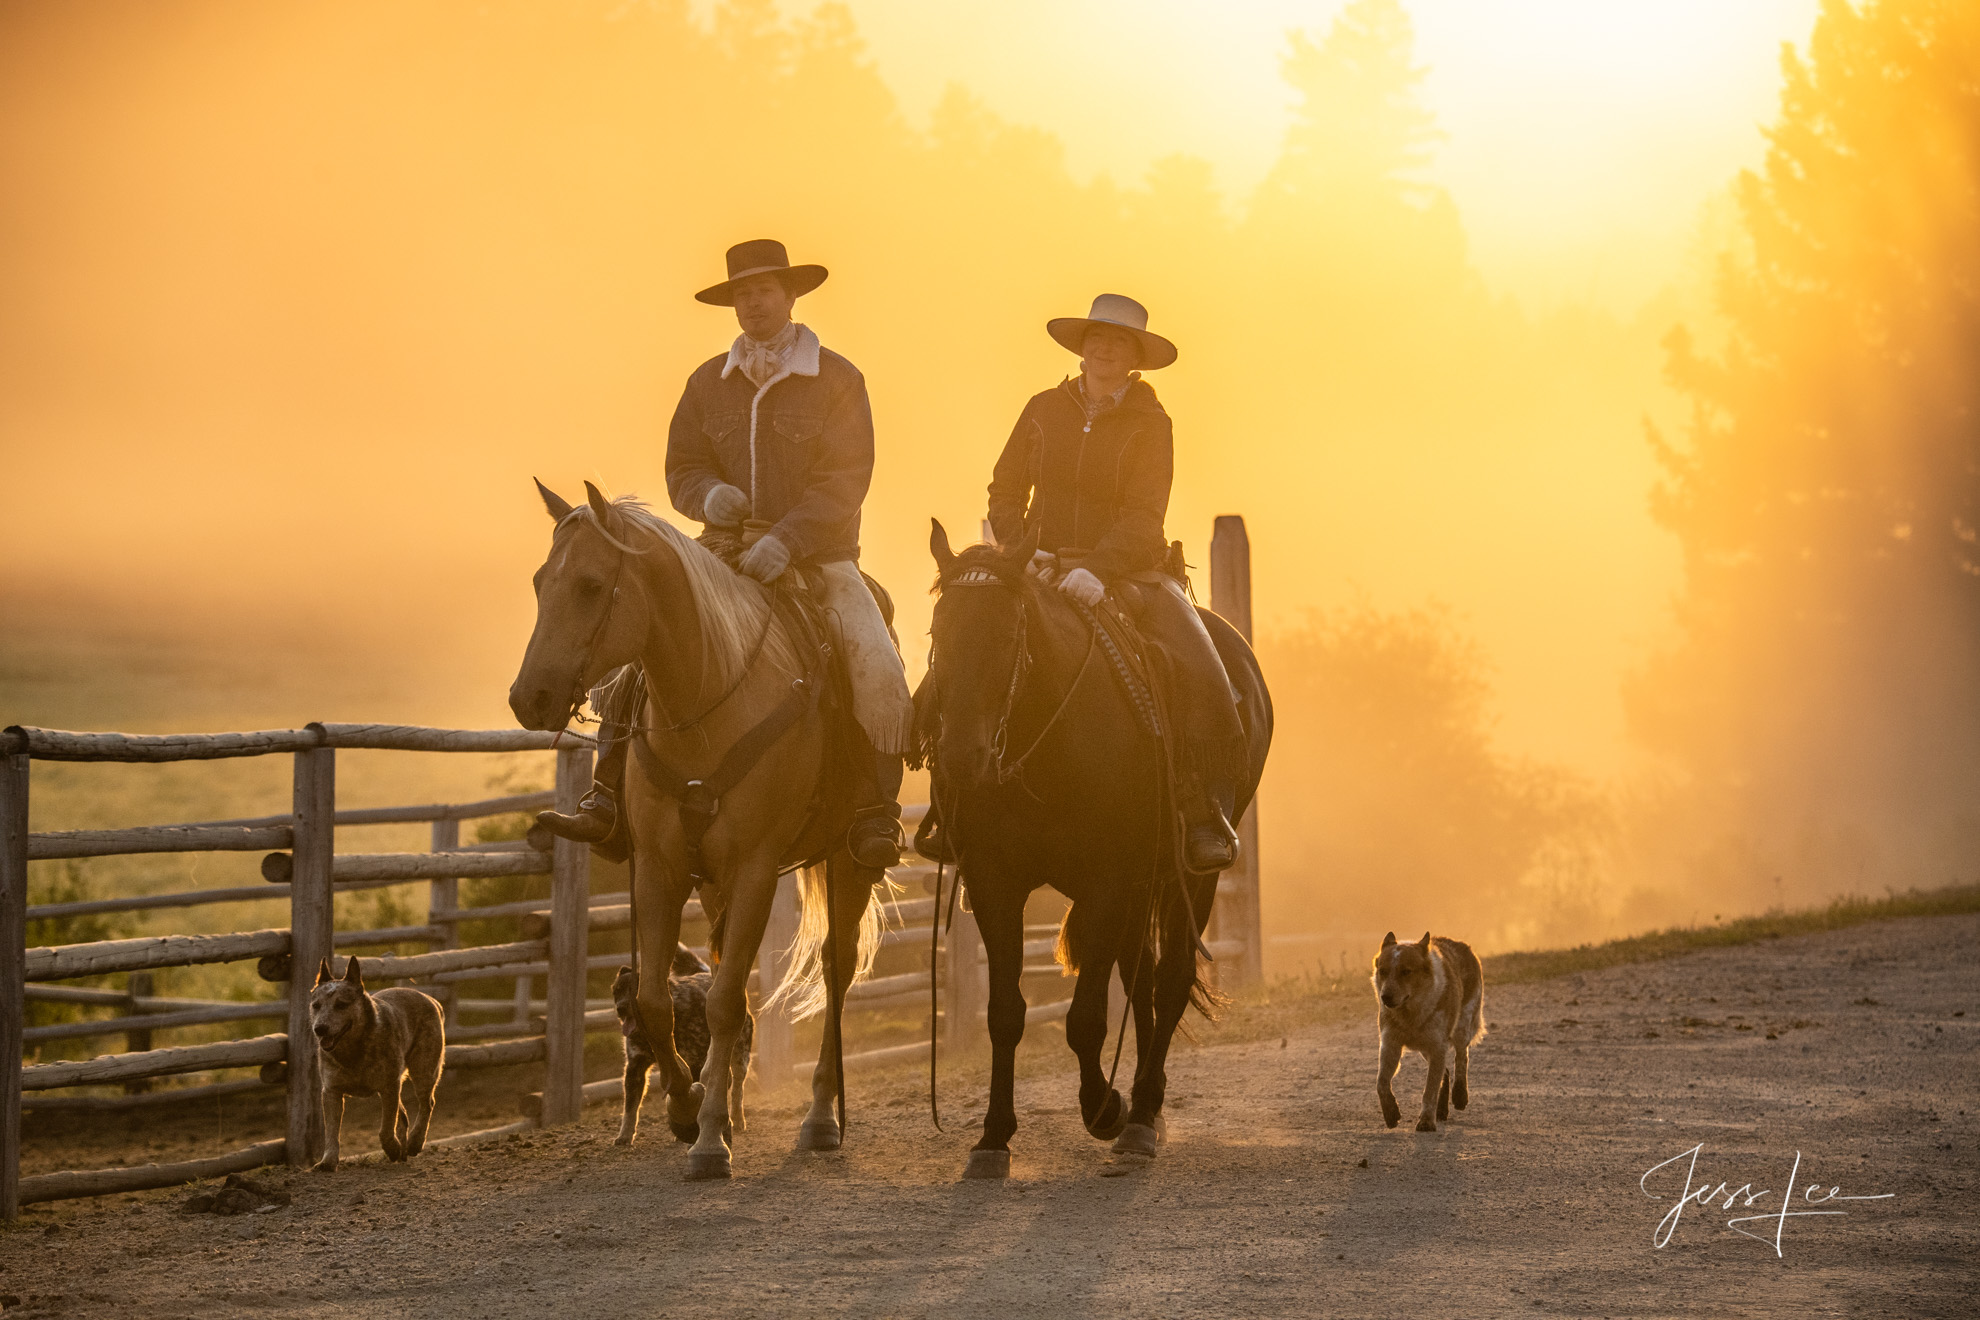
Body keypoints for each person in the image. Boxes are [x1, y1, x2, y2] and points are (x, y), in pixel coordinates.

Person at [536, 239, 911, 869]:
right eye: (741, 294)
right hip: (721, 550)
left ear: (791, 297)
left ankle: (875, 812)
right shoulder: (707, 381)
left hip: (819, 557)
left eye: (763, 291)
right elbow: (682, 466)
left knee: (874, 661)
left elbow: (845, 480)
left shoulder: (840, 379)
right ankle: (607, 796)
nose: (751, 303)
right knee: (643, 641)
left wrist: (785, 540)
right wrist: (709, 497)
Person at [985, 293, 1245, 872]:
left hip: (1130, 572)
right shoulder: (1040, 408)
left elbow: (1144, 513)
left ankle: (1201, 808)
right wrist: (1023, 554)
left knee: (1200, 669)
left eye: (1119, 342)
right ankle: (956, 803)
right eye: (1096, 338)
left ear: (1135, 357)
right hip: (1039, 565)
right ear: (1082, 347)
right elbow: (1004, 491)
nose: (1104, 349)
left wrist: (1095, 569)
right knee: (969, 645)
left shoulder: (1153, 424)